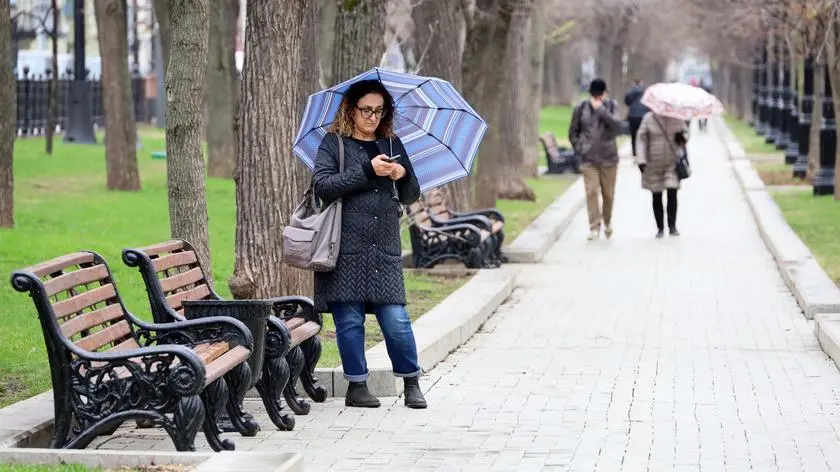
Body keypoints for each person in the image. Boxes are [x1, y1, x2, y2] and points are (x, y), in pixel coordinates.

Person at [312, 79, 427, 409]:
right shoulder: (334, 144)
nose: (372, 117)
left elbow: (411, 194)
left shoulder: (391, 143)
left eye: (379, 110)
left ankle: (411, 382)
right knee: (349, 320)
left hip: (384, 246)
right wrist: (367, 169)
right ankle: (357, 386)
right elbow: (323, 186)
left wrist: (401, 175)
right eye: (366, 110)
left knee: (396, 320)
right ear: (351, 108)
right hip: (346, 246)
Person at [569, 78, 622, 240]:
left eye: (600, 95)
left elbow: (617, 127)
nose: (597, 98)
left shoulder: (612, 106)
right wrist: (580, 147)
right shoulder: (581, 108)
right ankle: (594, 226)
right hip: (589, 158)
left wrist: (602, 111)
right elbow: (573, 131)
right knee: (591, 192)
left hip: (609, 158)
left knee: (608, 194)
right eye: (595, 95)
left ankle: (607, 221)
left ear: (606, 94)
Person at [634, 111, 689, 237]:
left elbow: (686, 134)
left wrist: (682, 137)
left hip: (672, 162)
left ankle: (672, 226)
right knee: (656, 194)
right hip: (653, 163)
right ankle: (660, 227)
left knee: (672, 191)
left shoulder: (677, 117)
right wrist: (641, 159)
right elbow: (641, 139)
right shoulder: (648, 118)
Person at [623, 78, 650, 157]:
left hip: (633, 115)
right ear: (642, 82)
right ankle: (642, 151)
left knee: (633, 134)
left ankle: (634, 152)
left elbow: (626, 101)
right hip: (644, 116)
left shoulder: (630, 91)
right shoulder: (646, 91)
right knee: (643, 134)